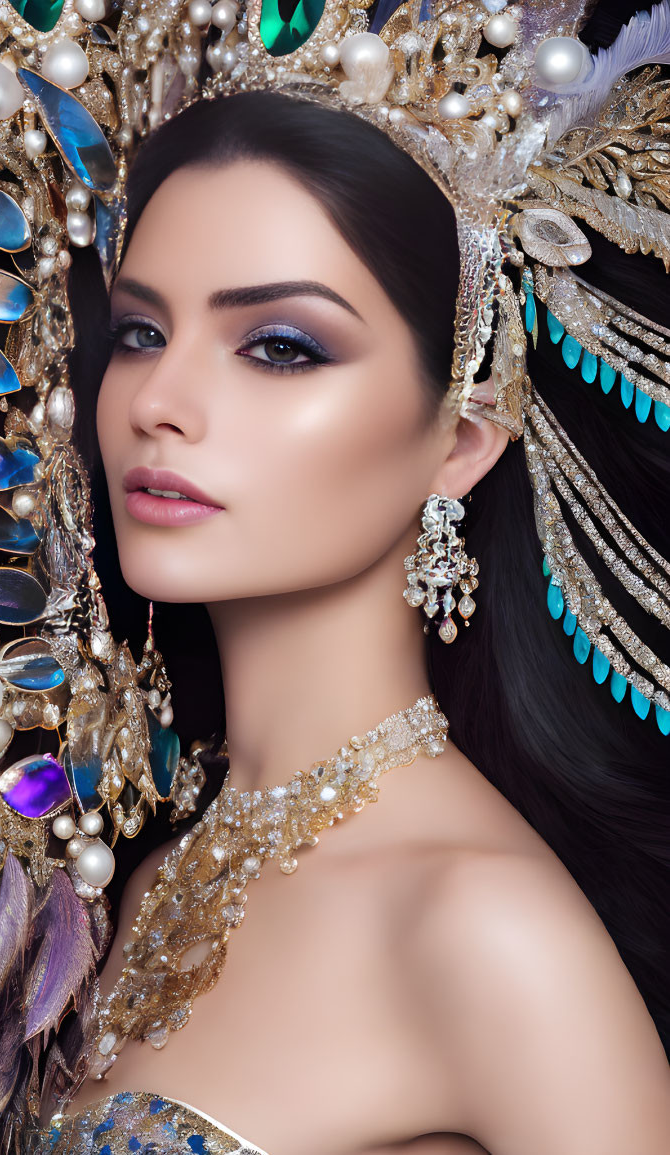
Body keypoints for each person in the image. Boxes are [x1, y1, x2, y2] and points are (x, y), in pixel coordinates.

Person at [57, 36, 670, 1155]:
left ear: (458, 444)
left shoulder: (481, 929)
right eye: (143, 331)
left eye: (280, 347)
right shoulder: (153, 879)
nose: (159, 400)